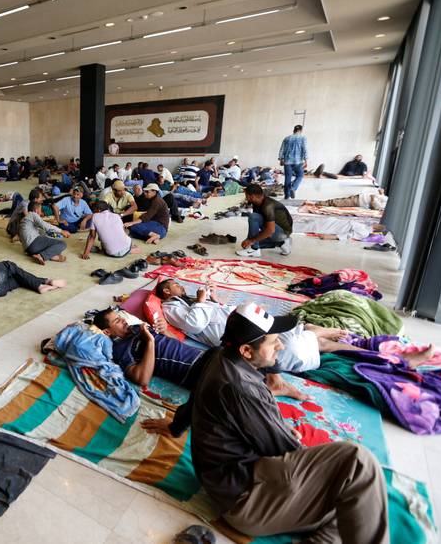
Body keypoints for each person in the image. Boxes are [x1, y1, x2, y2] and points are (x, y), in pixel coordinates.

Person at [151, 303, 388, 543]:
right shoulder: (241, 389)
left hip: (236, 480)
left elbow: (195, 399)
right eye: (273, 341)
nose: (281, 345)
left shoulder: (219, 355)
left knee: (355, 504)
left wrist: (174, 427)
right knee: (357, 463)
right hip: (247, 500)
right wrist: (314, 462)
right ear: (246, 351)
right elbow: (283, 449)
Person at [155, 279, 372, 377]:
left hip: (250, 322)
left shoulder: (188, 300)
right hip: (245, 332)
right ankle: (315, 332)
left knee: (299, 333)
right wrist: (202, 301)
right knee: (314, 344)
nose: (182, 286)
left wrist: (212, 298)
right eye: (175, 284)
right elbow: (194, 323)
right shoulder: (171, 307)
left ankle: (313, 330)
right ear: (166, 291)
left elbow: (212, 312)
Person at [92, 308, 207, 388]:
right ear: (107, 331)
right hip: (193, 370)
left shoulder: (136, 328)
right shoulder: (119, 349)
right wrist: (150, 342)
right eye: (117, 321)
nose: (123, 320)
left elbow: (176, 342)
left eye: (120, 317)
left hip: (202, 354)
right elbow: (142, 379)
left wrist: (164, 330)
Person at [237, 184, 293, 257]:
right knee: (247, 244)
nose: (246, 198)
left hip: (282, 232)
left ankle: (254, 249)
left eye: (246, 196)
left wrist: (252, 241)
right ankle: (282, 243)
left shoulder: (268, 206)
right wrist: (249, 240)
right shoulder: (257, 202)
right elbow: (257, 224)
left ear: (252, 196)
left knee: (253, 217)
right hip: (275, 230)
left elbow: (270, 230)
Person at [279, 124, 308, 199]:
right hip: (298, 162)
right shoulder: (303, 138)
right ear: (301, 130)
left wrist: (281, 159)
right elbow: (305, 149)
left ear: (294, 130)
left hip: (287, 162)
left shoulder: (287, 138)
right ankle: (293, 188)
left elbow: (281, 149)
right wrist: (306, 160)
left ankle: (286, 196)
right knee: (300, 175)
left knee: (287, 178)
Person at [306, 188, 388, 211]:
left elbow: (376, 206)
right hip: (360, 196)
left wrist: (374, 197)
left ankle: (314, 203)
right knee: (337, 200)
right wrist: (381, 193)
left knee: (337, 203)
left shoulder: (384, 207)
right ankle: (315, 203)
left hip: (359, 201)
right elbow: (380, 197)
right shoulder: (387, 200)